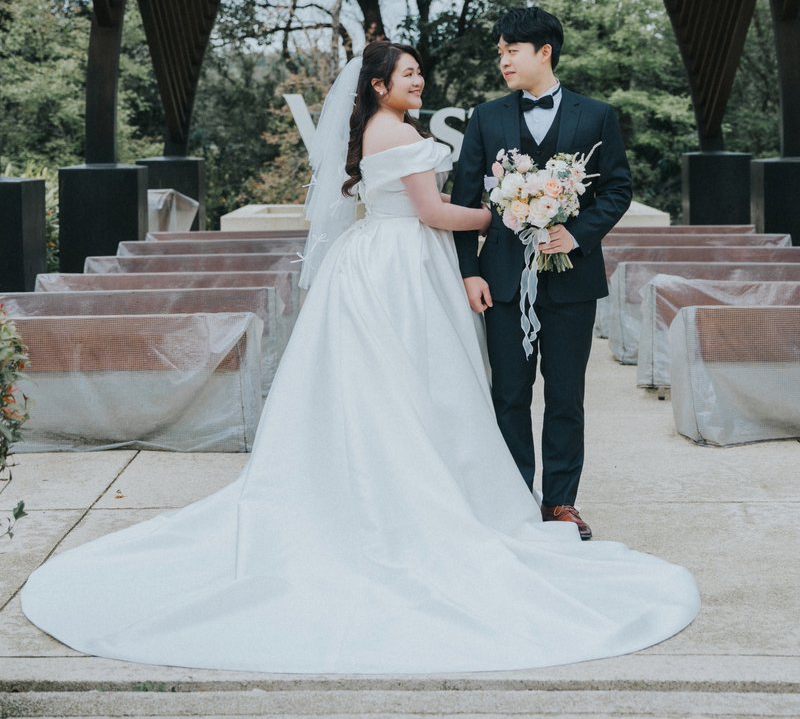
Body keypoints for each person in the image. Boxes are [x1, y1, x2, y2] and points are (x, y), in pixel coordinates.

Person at [21, 41, 698, 673]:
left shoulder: (382, 130)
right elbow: (433, 213)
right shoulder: (397, 133)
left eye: (418, 72)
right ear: (378, 85)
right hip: (403, 266)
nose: (418, 80)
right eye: (407, 73)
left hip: (382, 260)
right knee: (416, 383)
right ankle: (427, 499)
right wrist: (510, 214)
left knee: (391, 386)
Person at [452, 6, 632, 541]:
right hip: (503, 281)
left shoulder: (596, 115)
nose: (503, 61)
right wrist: (469, 272)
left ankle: (560, 503)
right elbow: (464, 199)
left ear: (544, 52)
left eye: (512, 50)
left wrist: (576, 234)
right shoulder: (486, 117)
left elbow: (617, 188)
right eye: (501, 52)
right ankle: (512, 500)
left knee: (566, 396)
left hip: (573, 281)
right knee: (508, 394)